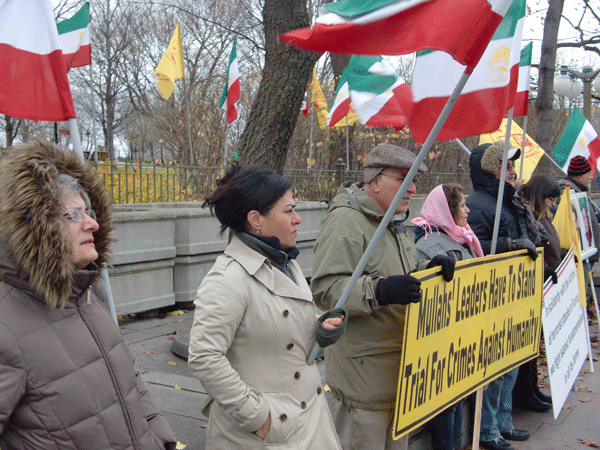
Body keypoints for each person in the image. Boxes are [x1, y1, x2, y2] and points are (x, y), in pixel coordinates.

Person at [0, 141, 177, 450]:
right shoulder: (6, 326)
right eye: (75, 214)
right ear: (36, 227)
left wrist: (162, 439)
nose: (93, 223)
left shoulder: (88, 295)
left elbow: (130, 384)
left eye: (89, 211)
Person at [187, 162, 345, 449]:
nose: (298, 219)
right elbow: (204, 355)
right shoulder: (228, 278)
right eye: (288, 211)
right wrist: (258, 417)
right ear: (256, 219)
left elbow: (276, 320)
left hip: (307, 418)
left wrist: (319, 324)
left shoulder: (286, 262)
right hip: (265, 435)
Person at [311, 143, 455, 450]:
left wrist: (428, 270)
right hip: (364, 377)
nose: (413, 188)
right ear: (375, 181)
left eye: (415, 179)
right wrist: (379, 290)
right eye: (403, 178)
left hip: (398, 371)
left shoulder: (394, 222)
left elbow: (402, 270)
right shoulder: (346, 221)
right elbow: (326, 290)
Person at [466, 141, 544, 450]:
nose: (513, 172)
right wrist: (509, 245)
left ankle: (503, 422)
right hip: (492, 299)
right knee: (494, 371)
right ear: (490, 169)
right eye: (506, 166)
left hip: (515, 296)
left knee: (511, 365)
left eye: (512, 166)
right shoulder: (477, 203)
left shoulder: (510, 201)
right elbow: (473, 248)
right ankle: (487, 431)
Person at [412, 183, 484, 450]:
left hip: (462, 332)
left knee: (459, 396)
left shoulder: (460, 237)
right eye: (462, 206)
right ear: (447, 211)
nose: (467, 210)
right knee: (447, 401)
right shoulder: (431, 245)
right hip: (444, 338)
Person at [513, 175, 565, 411]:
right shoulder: (530, 216)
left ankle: (532, 388)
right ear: (540, 196)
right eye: (550, 199)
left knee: (536, 343)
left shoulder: (544, 217)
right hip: (532, 285)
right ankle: (526, 391)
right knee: (529, 341)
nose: (552, 203)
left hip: (544, 284)